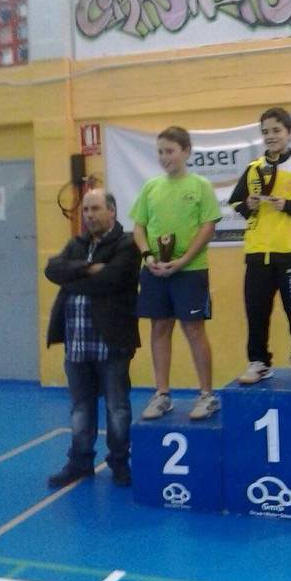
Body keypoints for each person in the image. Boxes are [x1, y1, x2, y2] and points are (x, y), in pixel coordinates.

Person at [45, 189, 141, 488]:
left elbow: (114, 279)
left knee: (117, 407)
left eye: (95, 208)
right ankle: (80, 463)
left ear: (112, 210)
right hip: (76, 343)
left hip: (112, 341)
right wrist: (87, 268)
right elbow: (52, 269)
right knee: (80, 407)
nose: (89, 215)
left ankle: (120, 463)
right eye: (86, 209)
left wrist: (72, 280)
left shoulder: (128, 245)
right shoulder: (76, 244)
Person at [228, 106, 291, 384]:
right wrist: (247, 205)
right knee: (256, 313)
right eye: (265, 132)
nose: (270, 136)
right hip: (257, 253)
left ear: (290, 133)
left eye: (276, 130)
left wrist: (288, 205)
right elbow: (235, 202)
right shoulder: (253, 169)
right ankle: (258, 362)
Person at [130, 126, 221, 420]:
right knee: (159, 328)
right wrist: (148, 256)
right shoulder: (151, 187)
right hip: (155, 271)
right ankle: (162, 394)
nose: (164, 157)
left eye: (170, 151)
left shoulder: (200, 186)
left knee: (194, 329)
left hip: (190, 271)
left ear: (186, 151)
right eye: (160, 152)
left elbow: (208, 227)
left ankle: (207, 395)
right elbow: (139, 227)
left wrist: (182, 261)